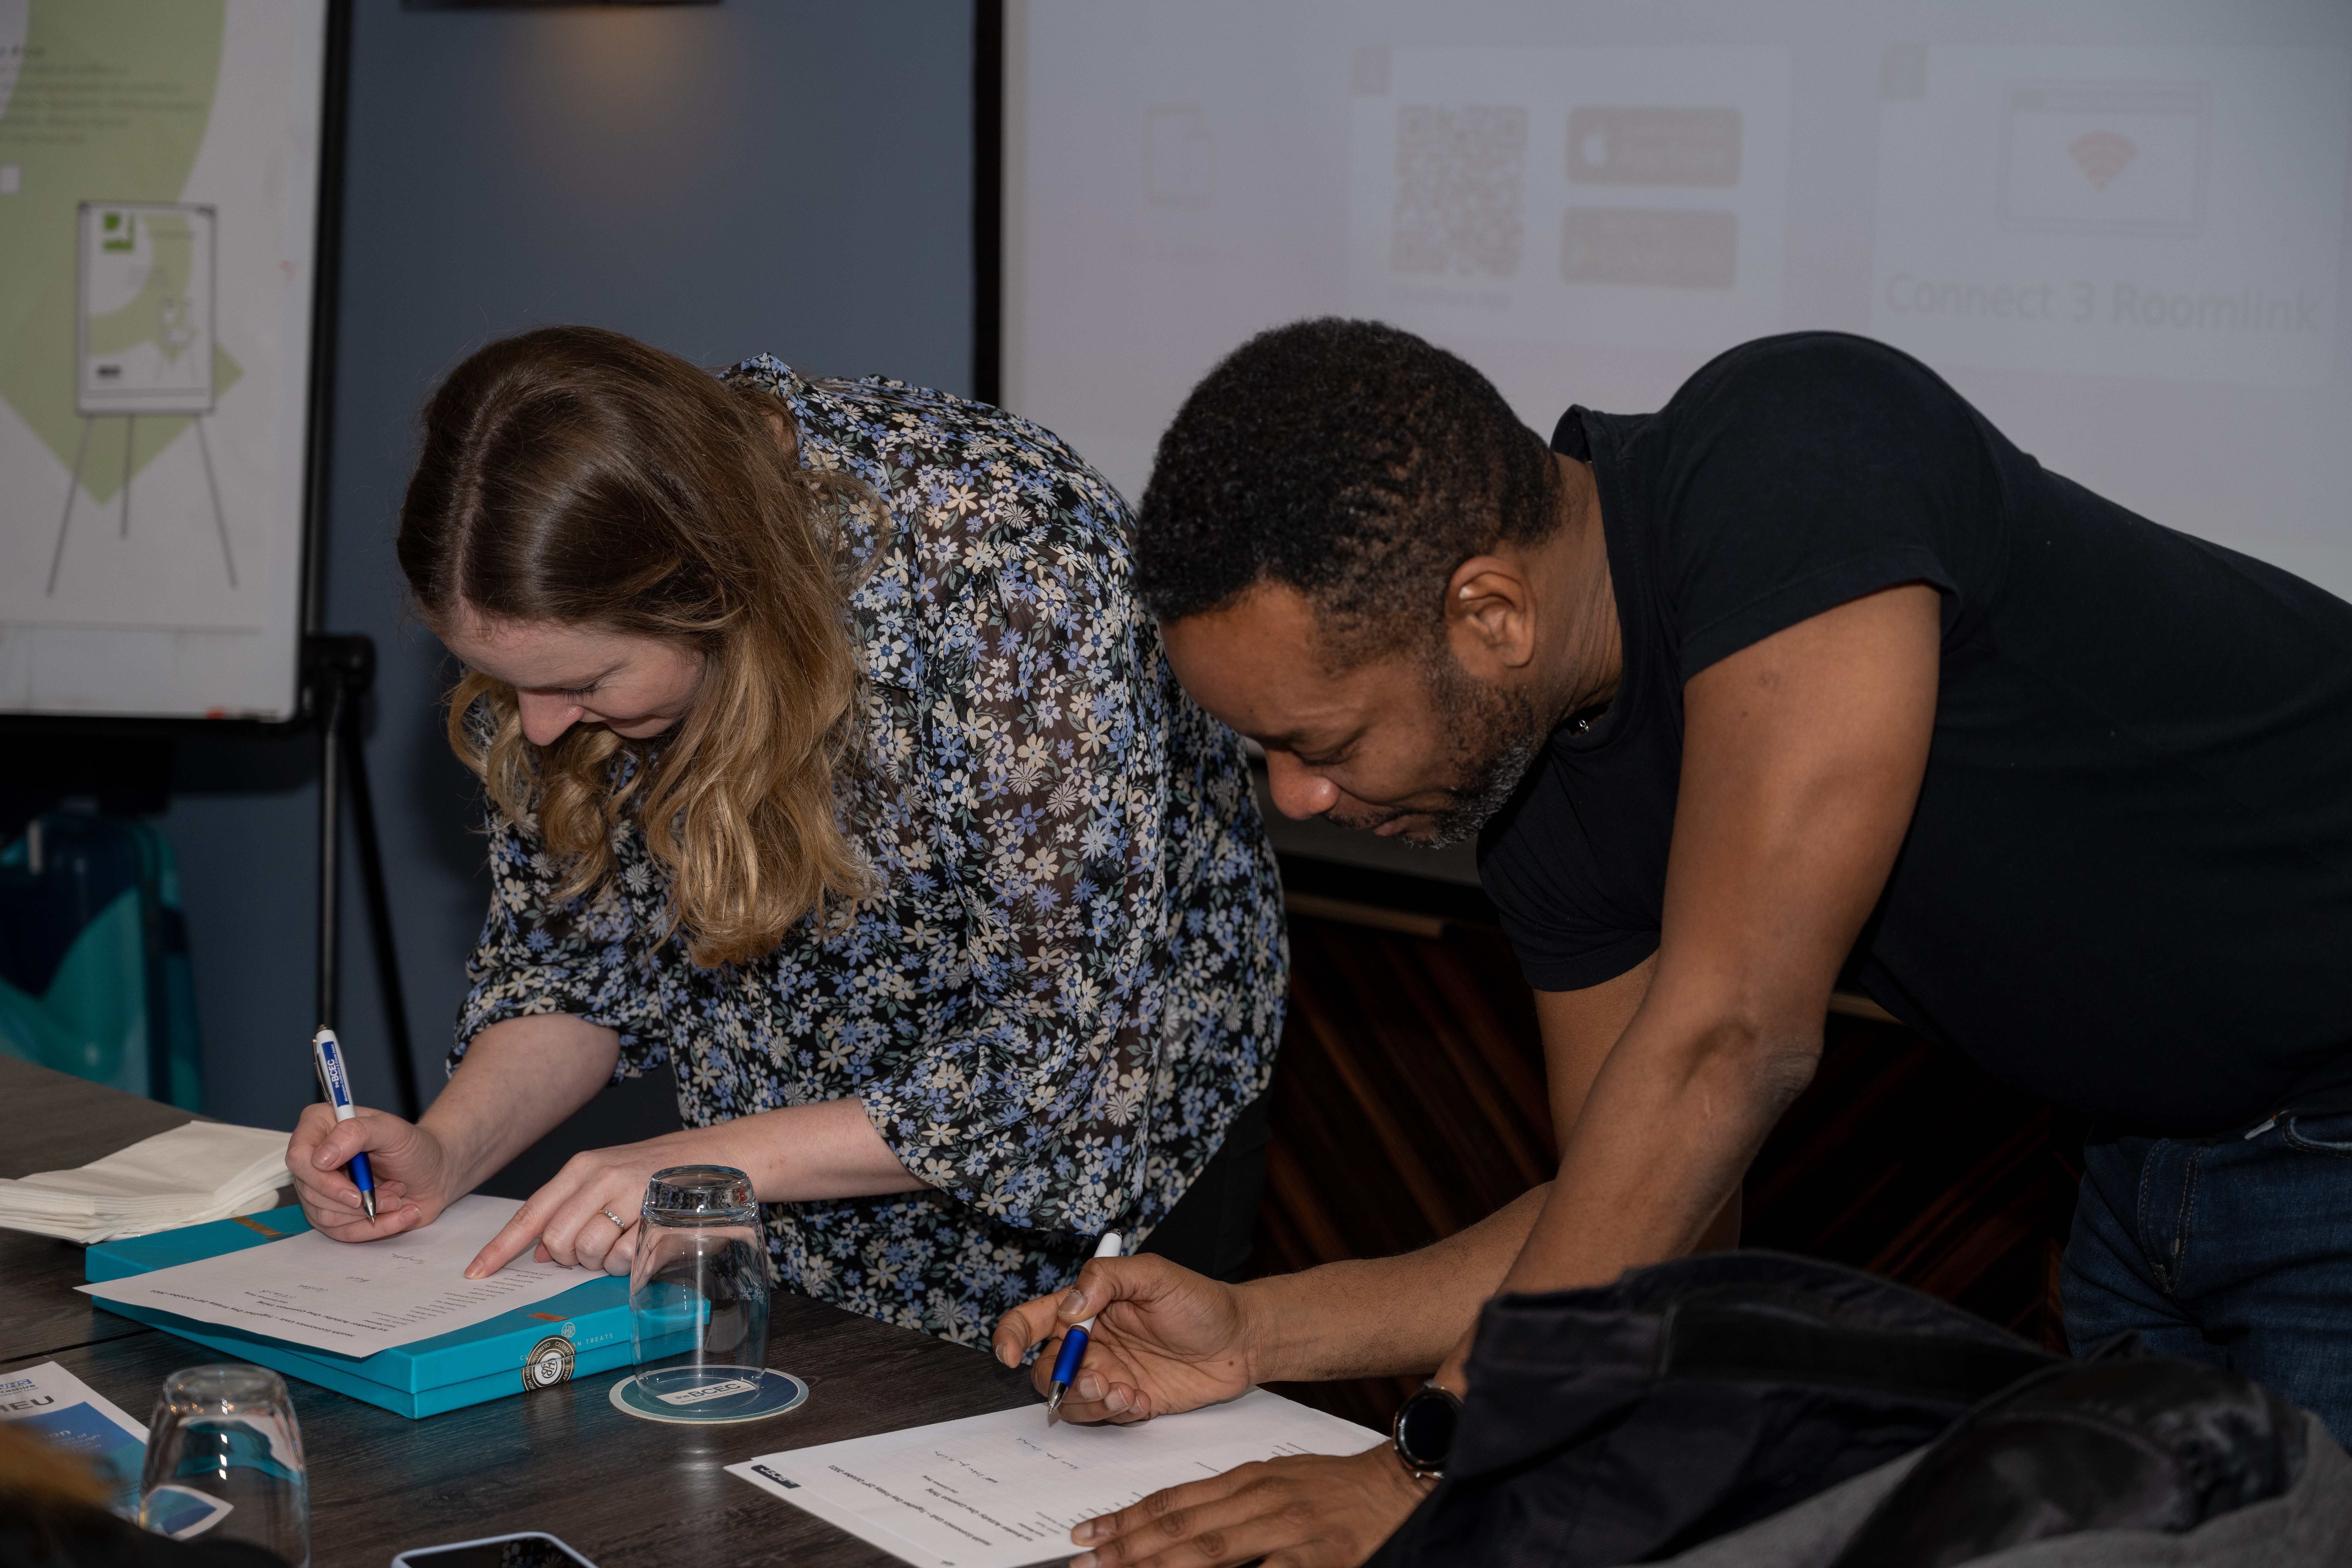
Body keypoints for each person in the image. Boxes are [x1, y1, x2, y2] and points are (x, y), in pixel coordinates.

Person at [989, 319, 2352, 1567]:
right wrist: (1258, 1330)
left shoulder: (1795, 450)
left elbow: (1732, 1039)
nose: (1295, 797)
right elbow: (1642, 1213)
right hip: (2139, 1169)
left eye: (1322, 742)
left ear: (1491, 616)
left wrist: (1427, 1470)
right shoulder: (1544, 810)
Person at [284, 325, 1286, 1345]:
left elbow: (1059, 1060)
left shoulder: (1010, 564)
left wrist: (704, 1162)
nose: (538, 727)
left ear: (716, 593)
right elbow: (578, 968)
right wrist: (447, 1151)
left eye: (583, 685)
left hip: (1090, 1200)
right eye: (508, 686)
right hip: (789, 1189)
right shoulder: (559, 606)